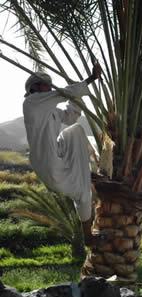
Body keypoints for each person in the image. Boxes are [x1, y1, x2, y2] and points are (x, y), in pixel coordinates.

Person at [23, 64, 102, 247]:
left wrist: (76, 96)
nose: (50, 88)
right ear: (33, 88)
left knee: (75, 130)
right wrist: (90, 79)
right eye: (45, 85)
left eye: (50, 85)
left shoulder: (49, 111)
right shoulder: (32, 103)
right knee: (82, 191)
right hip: (48, 163)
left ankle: (87, 170)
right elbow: (62, 93)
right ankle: (88, 237)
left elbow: (69, 117)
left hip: (57, 154)